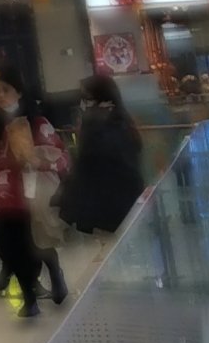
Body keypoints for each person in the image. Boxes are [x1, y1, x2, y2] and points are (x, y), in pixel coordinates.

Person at [0, 71, 71, 317]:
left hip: (34, 196)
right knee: (15, 249)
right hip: (5, 197)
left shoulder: (38, 123)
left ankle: (55, 274)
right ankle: (29, 298)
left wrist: (41, 162)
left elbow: (62, 156)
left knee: (39, 243)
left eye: (5, 90)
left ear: (19, 92)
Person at [61, 75, 146, 235]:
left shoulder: (96, 122)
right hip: (124, 194)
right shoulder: (122, 119)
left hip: (105, 198)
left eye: (87, 97)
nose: (83, 103)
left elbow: (89, 158)